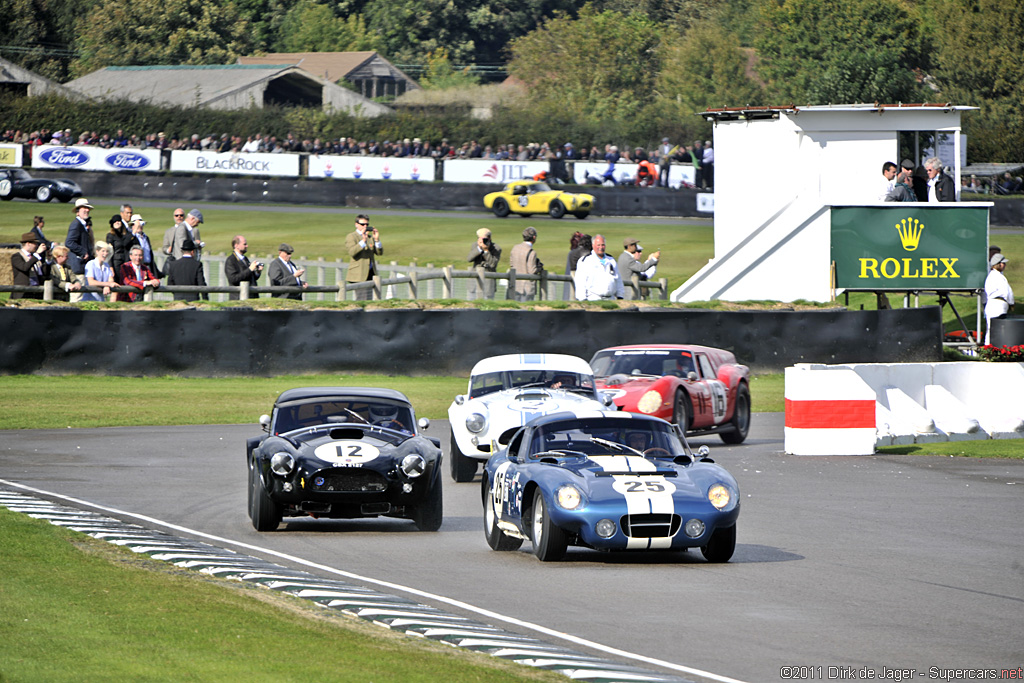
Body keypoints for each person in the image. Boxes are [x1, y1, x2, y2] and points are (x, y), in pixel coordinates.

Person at [575, 234, 623, 301]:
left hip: (610, 299)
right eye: (598, 245)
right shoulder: (585, 261)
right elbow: (580, 282)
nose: (601, 247)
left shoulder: (611, 260)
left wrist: (620, 296)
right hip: (593, 299)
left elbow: (618, 279)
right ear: (593, 245)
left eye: (603, 245)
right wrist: (582, 299)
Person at [346, 214, 382, 301]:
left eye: (367, 224)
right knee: (362, 299)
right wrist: (363, 241)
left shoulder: (370, 237)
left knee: (369, 298)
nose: (365, 226)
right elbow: (352, 252)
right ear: (356, 224)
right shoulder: (352, 236)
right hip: (359, 274)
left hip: (370, 273)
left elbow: (379, 253)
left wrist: (376, 240)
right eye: (362, 224)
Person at [984, 253, 1014, 346]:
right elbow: (1006, 291)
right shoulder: (995, 276)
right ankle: (989, 347)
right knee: (993, 328)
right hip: (996, 303)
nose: (1004, 265)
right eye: (1003, 263)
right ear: (998, 264)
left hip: (998, 304)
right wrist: (1011, 302)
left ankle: (993, 347)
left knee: (995, 327)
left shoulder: (998, 276)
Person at [11, 232, 49, 300]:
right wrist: (37, 254)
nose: (37, 246)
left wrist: (48, 259)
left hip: (36, 292)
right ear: (28, 244)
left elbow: (44, 273)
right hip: (23, 292)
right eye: (35, 243)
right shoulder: (16, 257)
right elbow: (25, 267)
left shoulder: (34, 257)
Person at [509, 226, 543, 302]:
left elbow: (511, 264)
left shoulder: (515, 248)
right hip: (527, 287)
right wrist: (539, 268)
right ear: (534, 237)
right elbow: (531, 271)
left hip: (515, 284)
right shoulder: (531, 252)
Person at [65, 197, 95, 283]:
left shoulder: (82, 224)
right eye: (84, 208)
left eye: (87, 208)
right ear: (77, 212)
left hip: (83, 266)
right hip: (78, 266)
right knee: (78, 294)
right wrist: (83, 252)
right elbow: (69, 242)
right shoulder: (76, 224)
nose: (87, 210)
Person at [466, 228, 501, 300]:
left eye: (484, 239)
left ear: (489, 238)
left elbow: (493, 264)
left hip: (488, 284)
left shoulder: (496, 248)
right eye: (480, 238)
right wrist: (479, 249)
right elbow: (469, 259)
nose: (482, 241)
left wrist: (486, 251)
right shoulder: (475, 245)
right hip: (474, 284)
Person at [225, 235, 263, 300]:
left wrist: (257, 271)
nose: (247, 246)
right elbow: (233, 279)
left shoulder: (245, 259)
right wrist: (250, 269)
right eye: (244, 244)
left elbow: (250, 277)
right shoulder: (231, 260)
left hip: (251, 296)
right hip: (238, 298)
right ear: (236, 245)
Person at [127, 214, 162, 278]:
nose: (140, 226)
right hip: (137, 267)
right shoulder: (131, 237)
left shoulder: (146, 237)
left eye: (141, 225)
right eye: (137, 225)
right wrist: (134, 232)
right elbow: (126, 244)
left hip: (147, 267)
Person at [105, 214, 132, 282]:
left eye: (119, 221)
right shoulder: (110, 236)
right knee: (117, 283)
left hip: (126, 261)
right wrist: (110, 267)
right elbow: (109, 251)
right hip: (116, 263)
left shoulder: (126, 234)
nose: (117, 222)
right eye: (115, 221)